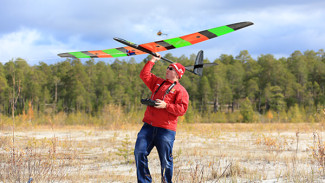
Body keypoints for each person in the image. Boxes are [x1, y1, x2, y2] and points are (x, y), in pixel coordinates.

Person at [134, 53, 189, 183]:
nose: (167, 70)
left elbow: (182, 109)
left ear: (177, 74)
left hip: (166, 130)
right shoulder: (157, 82)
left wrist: (166, 106)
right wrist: (153, 60)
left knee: (166, 161)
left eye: (171, 69)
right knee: (139, 152)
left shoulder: (181, 91)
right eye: (168, 68)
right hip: (148, 126)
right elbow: (144, 75)